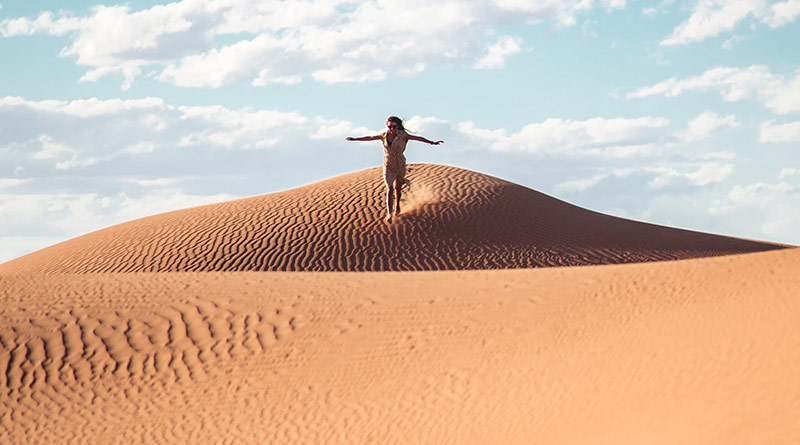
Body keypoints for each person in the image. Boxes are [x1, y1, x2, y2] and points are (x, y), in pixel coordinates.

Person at [346, 116, 444, 222]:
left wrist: (432, 142)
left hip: (400, 163)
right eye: (389, 126)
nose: (391, 128)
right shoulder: (384, 135)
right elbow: (370, 137)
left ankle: (397, 207)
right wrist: (355, 139)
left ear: (398, 126)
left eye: (394, 126)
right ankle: (389, 214)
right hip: (388, 163)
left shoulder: (404, 136)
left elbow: (418, 138)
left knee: (398, 189)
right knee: (389, 188)